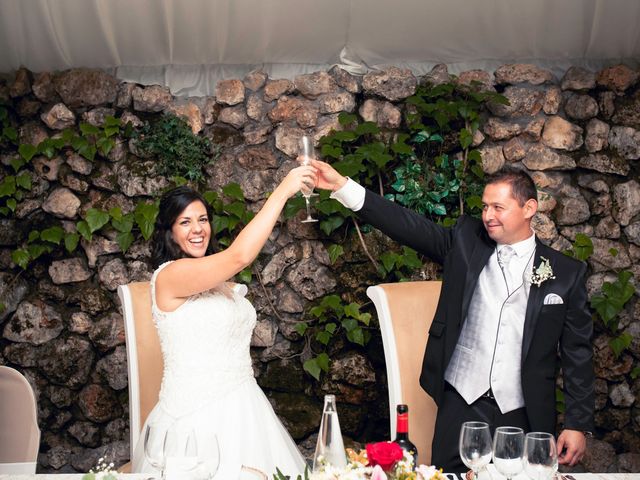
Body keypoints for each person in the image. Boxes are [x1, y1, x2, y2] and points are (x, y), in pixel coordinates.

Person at [311, 160, 594, 473]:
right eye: (485, 206)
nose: (488, 216)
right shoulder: (465, 241)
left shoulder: (566, 273)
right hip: (461, 403)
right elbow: (406, 224)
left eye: (498, 207)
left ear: (528, 208)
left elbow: (577, 355)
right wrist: (341, 186)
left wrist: (578, 423)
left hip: (522, 412)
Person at [131, 164, 316, 478]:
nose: (198, 229)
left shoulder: (220, 283)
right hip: (192, 423)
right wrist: (284, 190)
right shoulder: (170, 276)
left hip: (245, 411)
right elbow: (239, 256)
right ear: (169, 231)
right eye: (185, 222)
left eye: (202, 219)